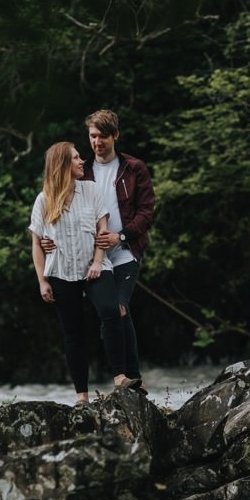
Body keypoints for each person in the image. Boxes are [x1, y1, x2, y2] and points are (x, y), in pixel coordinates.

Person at [42, 109, 155, 394]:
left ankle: (131, 378)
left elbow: (146, 211)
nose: (96, 142)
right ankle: (118, 380)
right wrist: (48, 240)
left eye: (102, 136)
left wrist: (122, 235)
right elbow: (61, 208)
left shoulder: (134, 168)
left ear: (114, 136)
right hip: (91, 255)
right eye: (92, 136)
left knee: (118, 307)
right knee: (105, 313)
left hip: (125, 250)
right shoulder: (83, 169)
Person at [29, 141, 142, 405]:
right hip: (61, 271)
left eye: (81, 157)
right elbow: (36, 242)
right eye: (76, 158)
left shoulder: (90, 190)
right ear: (62, 165)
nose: (82, 161)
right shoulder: (44, 199)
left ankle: (119, 377)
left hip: (95, 267)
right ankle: (82, 396)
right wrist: (42, 281)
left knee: (111, 310)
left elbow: (103, 230)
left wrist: (97, 261)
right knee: (73, 332)